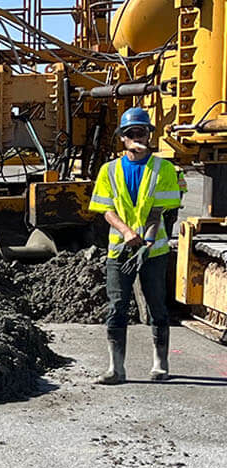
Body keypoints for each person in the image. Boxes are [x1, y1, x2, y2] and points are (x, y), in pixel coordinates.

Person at [87, 106, 183, 385]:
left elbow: (159, 211)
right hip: (119, 251)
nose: (137, 136)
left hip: (153, 252)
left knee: (157, 307)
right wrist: (127, 232)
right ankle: (116, 368)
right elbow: (105, 209)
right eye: (132, 132)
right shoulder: (110, 170)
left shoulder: (163, 168)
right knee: (117, 306)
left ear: (149, 134)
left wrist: (148, 241)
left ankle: (160, 364)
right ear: (123, 137)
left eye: (142, 131)